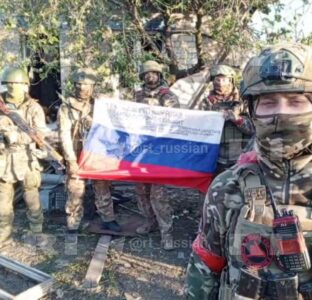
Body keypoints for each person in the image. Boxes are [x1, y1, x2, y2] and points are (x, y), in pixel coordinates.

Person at [186, 43, 312, 299]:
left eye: (296, 102)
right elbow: (205, 267)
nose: (280, 113)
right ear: (252, 110)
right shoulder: (226, 187)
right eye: (268, 102)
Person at [58, 68, 121, 233]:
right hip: (77, 154)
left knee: (103, 188)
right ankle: (73, 222)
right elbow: (64, 135)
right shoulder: (66, 108)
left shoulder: (100, 105)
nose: (81, 88)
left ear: (93, 86)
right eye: (78, 84)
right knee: (75, 190)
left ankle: (108, 219)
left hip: (97, 155)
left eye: (85, 84)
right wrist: (70, 160)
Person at [135, 60, 179, 250]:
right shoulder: (136, 96)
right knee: (141, 192)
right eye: (146, 73)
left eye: (153, 73)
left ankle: (166, 232)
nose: (150, 76)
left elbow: (175, 120)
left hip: (160, 152)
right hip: (140, 152)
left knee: (158, 195)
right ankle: (149, 222)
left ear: (159, 75)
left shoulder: (168, 96)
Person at [0, 67, 47, 247]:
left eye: (17, 83)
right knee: (3, 201)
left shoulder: (33, 108)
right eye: (9, 83)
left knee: (32, 197)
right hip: (3, 160)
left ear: (25, 85)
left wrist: (15, 136)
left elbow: (40, 134)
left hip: (26, 159)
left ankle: (36, 232)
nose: (13, 87)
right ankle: (3, 236)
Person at [198, 64, 254, 174]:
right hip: (216, 158)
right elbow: (200, 131)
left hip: (242, 156)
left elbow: (253, 129)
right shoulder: (207, 103)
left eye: (224, 80)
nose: (220, 83)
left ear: (231, 80)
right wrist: (214, 119)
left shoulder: (244, 101)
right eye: (217, 80)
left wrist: (238, 119)